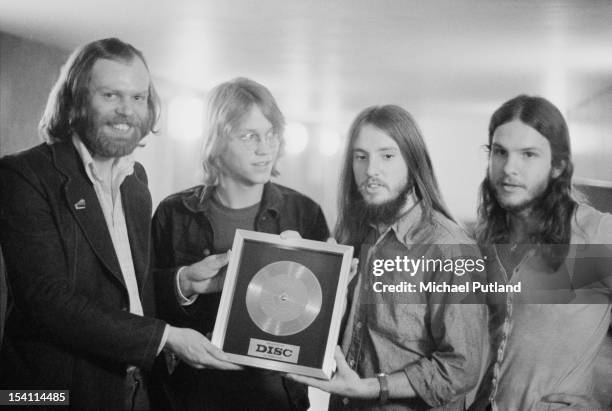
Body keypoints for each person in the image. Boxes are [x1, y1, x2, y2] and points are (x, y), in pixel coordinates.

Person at [0, 38, 238, 411]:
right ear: (76, 98)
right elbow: (48, 301)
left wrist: (183, 281)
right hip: (51, 396)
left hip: (136, 389)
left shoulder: (135, 182)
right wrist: (166, 338)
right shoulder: (24, 175)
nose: (126, 111)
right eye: (110, 95)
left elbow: (124, 290)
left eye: (138, 97)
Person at [289, 105, 486, 410]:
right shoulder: (354, 236)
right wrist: (297, 265)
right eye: (361, 156)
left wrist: (371, 388)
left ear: (413, 162)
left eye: (387, 156)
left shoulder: (449, 248)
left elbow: (460, 369)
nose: (371, 170)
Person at [152, 77, 330, 410]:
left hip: (276, 397)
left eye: (271, 134)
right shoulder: (173, 214)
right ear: (216, 140)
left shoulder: (304, 213)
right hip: (190, 396)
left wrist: (331, 282)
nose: (265, 148)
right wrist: (184, 285)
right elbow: (145, 308)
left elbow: (322, 320)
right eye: (249, 136)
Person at [470, 95, 612, 410]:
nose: (509, 168)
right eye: (500, 152)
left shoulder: (596, 235)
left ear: (558, 166)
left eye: (528, 155)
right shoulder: (487, 240)